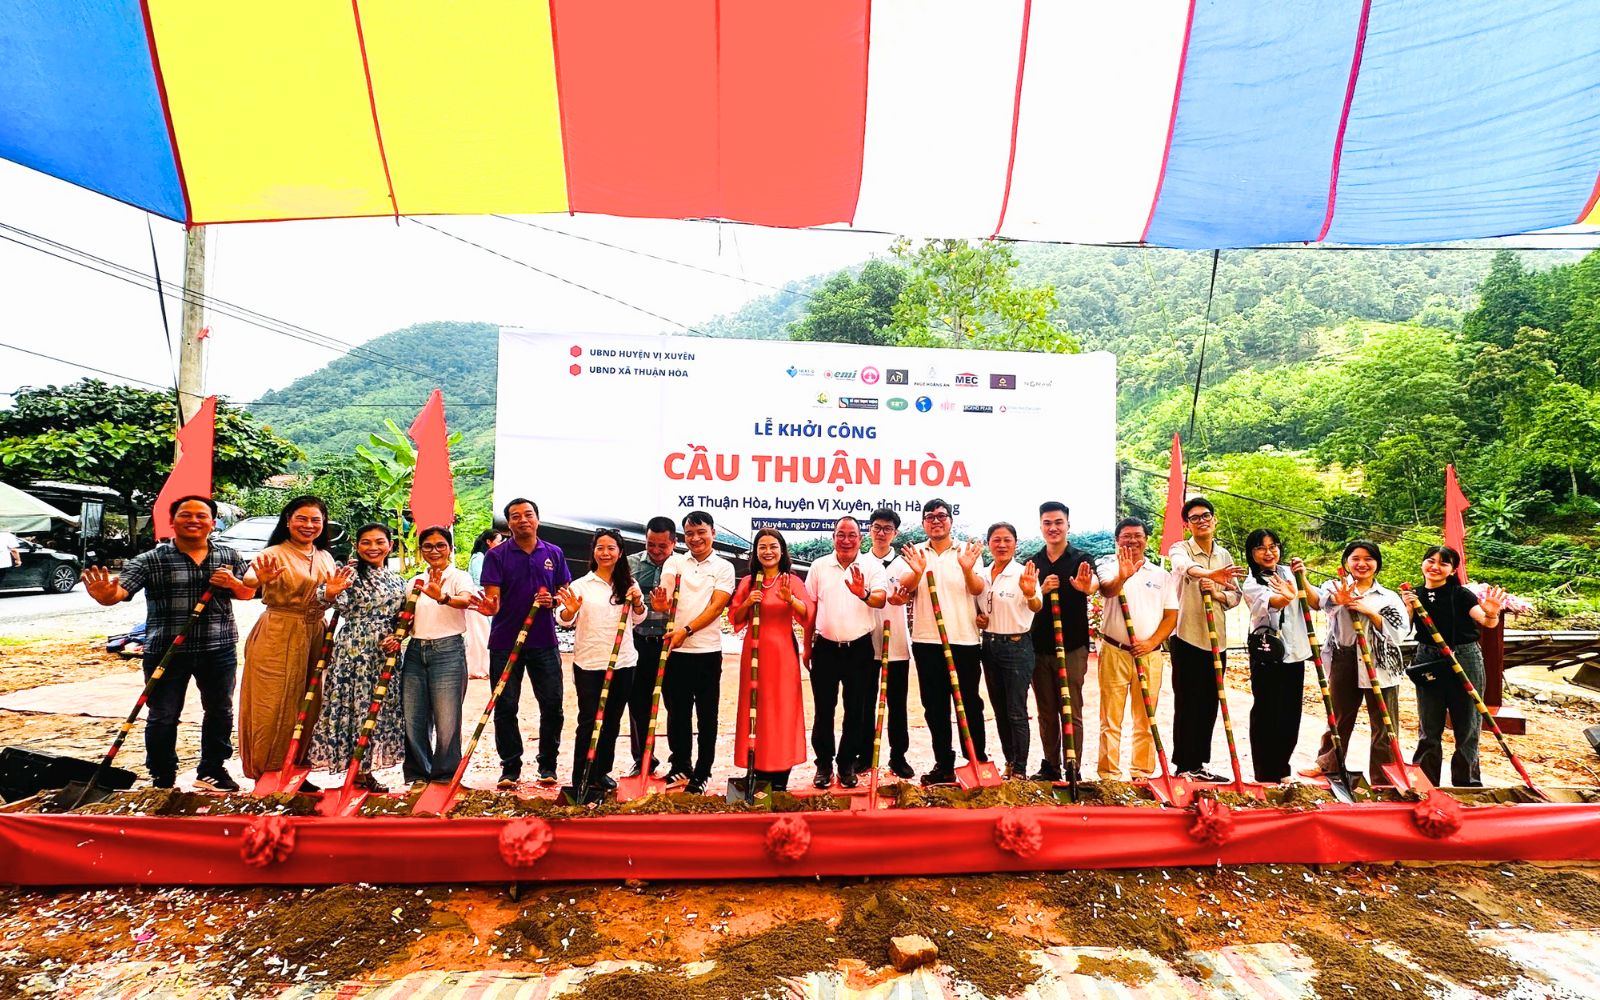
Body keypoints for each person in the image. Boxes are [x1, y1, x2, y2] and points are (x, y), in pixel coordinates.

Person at [82, 495, 254, 790]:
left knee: (220, 710)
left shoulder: (229, 556)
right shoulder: (151, 560)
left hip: (219, 647)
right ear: (172, 521)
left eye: (202, 516)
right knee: (163, 715)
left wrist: (234, 584)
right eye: (186, 515)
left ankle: (212, 769)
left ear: (213, 523)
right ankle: (162, 774)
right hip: (166, 649)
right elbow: (119, 593)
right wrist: (104, 595)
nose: (194, 520)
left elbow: (247, 593)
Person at [238, 496, 341, 783]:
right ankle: (267, 771)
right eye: (302, 519)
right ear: (288, 520)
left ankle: (295, 770)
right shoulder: (273, 553)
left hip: (315, 632)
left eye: (315, 520)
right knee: (272, 702)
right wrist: (257, 579)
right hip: (279, 631)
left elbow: (333, 594)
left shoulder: (325, 556)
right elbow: (249, 579)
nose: (308, 525)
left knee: (307, 703)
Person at [476, 498, 571, 788]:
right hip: (506, 641)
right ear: (508, 523)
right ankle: (510, 767)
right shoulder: (497, 555)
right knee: (505, 705)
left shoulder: (553, 553)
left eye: (528, 514)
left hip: (544, 641)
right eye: (515, 516)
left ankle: (547, 765)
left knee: (552, 704)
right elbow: (493, 600)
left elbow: (563, 593)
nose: (522, 520)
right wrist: (488, 608)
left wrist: (553, 600)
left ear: (537, 519)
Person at [311, 523, 408, 791]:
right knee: (354, 707)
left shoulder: (397, 579)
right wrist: (330, 590)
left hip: (385, 652)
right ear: (357, 545)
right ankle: (355, 771)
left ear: (390, 545)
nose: (373, 548)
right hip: (354, 649)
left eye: (379, 542)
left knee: (378, 710)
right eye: (366, 542)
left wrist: (399, 636)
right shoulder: (350, 573)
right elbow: (324, 596)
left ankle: (364, 770)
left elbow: (403, 617)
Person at [899, 497, 987, 786]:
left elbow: (977, 588)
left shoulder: (967, 551)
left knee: (970, 703)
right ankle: (944, 763)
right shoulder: (915, 553)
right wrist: (918, 570)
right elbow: (905, 590)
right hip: (927, 641)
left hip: (964, 640)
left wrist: (967, 568)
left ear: (950, 520)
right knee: (934, 705)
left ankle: (976, 759)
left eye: (941, 515)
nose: (936, 521)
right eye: (930, 517)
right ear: (924, 523)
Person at [1308, 539, 1410, 785]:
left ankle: (1383, 775)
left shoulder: (1388, 596)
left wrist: (1370, 612)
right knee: (1340, 716)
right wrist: (1340, 600)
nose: (1362, 564)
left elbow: (1399, 632)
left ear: (1377, 564)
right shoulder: (1334, 586)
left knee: (1384, 723)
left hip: (1379, 662)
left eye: (1368, 559)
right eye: (1355, 558)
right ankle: (1328, 763)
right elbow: (1322, 604)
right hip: (1344, 657)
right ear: (1346, 562)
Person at [1402, 545, 1505, 787]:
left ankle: (1466, 782)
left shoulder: (1461, 594)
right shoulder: (1414, 596)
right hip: (1428, 658)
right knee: (1429, 723)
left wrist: (1492, 613)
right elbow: (1403, 630)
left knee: (1467, 722)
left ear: (1452, 570)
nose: (1435, 567)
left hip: (1464, 657)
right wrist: (1407, 608)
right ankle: (1425, 784)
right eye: (1430, 561)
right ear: (1422, 564)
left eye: (1443, 563)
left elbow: (1486, 621)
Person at [652, 510, 735, 794]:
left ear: (713, 532)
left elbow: (715, 608)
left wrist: (686, 630)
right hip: (675, 651)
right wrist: (662, 607)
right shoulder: (675, 561)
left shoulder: (724, 567)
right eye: (689, 534)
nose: (696, 539)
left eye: (701, 532)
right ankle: (681, 766)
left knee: (706, 715)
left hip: (706, 652)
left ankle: (703, 772)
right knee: (677, 714)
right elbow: (665, 598)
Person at [556, 529, 647, 791]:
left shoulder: (629, 584)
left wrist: (639, 603)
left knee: (612, 721)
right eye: (600, 548)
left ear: (620, 552)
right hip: (590, 663)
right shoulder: (580, 585)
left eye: (611, 548)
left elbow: (638, 619)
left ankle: (601, 772)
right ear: (593, 552)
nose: (605, 553)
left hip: (623, 662)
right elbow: (564, 619)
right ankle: (581, 775)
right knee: (589, 720)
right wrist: (568, 612)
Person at [803, 517, 886, 788]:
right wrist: (806, 646)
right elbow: (810, 610)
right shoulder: (819, 567)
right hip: (825, 649)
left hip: (859, 649)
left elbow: (881, 599)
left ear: (860, 538)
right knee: (824, 710)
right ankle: (824, 765)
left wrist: (863, 594)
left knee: (856, 710)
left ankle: (847, 764)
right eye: (841, 534)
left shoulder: (872, 567)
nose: (846, 540)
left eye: (852, 535)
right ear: (833, 537)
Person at [1166, 497, 1245, 782]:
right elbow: (1182, 567)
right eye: (1195, 517)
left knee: (1210, 703)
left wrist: (1217, 593)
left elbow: (1236, 596)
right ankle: (1183, 765)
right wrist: (1209, 575)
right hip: (1187, 636)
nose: (1201, 521)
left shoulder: (1224, 555)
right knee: (1187, 702)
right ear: (1187, 524)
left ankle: (1200, 763)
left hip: (1217, 641)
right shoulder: (1181, 548)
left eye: (1205, 516)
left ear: (1214, 520)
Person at [1095, 517, 1179, 780]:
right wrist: (1123, 575)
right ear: (1117, 540)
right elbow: (1108, 591)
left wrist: (1152, 643)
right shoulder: (1107, 566)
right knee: (1111, 718)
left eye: (1137, 535)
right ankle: (1109, 774)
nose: (1132, 540)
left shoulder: (1161, 575)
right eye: (1126, 536)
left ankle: (1141, 772)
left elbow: (1171, 616)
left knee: (1146, 717)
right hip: (1114, 650)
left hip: (1149, 654)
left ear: (1146, 539)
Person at [730, 528, 814, 791]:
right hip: (754, 653)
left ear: (782, 550)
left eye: (773, 546)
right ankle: (757, 774)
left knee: (781, 711)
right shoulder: (748, 582)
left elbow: (808, 615)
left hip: (782, 655)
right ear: (756, 552)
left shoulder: (792, 581)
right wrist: (747, 603)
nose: (768, 551)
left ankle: (780, 775)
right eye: (762, 546)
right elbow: (735, 617)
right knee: (756, 710)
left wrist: (791, 600)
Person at [1026, 502, 1099, 782]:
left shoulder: (1081, 558)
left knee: (1071, 707)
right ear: (1041, 526)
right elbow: (1028, 600)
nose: (1053, 528)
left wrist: (1085, 588)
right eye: (1047, 523)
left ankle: (1073, 764)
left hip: (1073, 646)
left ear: (1068, 524)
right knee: (1046, 710)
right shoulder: (1034, 562)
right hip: (1040, 646)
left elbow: (1092, 585)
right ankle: (1050, 764)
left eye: (1058, 522)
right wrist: (1040, 591)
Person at [402, 526, 477, 787]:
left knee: (447, 719)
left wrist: (443, 597)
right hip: (415, 651)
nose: (434, 550)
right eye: (428, 546)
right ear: (420, 551)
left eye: (440, 545)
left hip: (447, 652)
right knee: (414, 717)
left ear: (450, 548)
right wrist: (395, 636)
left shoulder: (459, 577)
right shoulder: (414, 582)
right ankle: (418, 775)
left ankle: (445, 776)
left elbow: (466, 600)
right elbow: (408, 618)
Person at [1240, 528, 1312, 784]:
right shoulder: (1251, 582)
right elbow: (1275, 602)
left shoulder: (1289, 572)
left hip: (1295, 653)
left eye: (1273, 546)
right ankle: (1265, 771)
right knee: (1267, 711)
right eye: (1261, 548)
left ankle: (1282, 768)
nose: (1269, 552)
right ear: (1251, 553)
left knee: (1290, 713)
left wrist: (1301, 578)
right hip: (1268, 655)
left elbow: (1313, 600)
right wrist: (1288, 594)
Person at [977, 522, 1042, 780]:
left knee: (1016, 710)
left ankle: (1021, 769)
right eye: (996, 540)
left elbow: (1036, 605)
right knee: (1000, 710)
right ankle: (1009, 761)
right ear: (989, 543)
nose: (1001, 545)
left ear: (1015, 543)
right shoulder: (982, 574)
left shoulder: (1023, 573)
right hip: (989, 646)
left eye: (1007, 540)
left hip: (1017, 647)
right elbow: (978, 606)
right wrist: (979, 618)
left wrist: (1029, 593)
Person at [624, 516, 677, 777]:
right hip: (639, 642)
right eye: (651, 544)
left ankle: (679, 761)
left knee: (675, 703)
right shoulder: (630, 564)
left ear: (674, 543)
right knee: (639, 703)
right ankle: (644, 758)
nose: (656, 551)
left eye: (662, 546)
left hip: (673, 645)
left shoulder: (681, 566)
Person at [866, 508, 915, 779]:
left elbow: (911, 594)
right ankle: (863, 755)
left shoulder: (905, 565)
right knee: (864, 703)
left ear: (894, 533)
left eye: (887, 528)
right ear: (870, 530)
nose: (881, 532)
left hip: (896, 645)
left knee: (897, 704)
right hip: (865, 642)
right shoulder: (860, 562)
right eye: (876, 527)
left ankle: (898, 756)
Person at [465, 529, 503, 679]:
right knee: (480, 635)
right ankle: (479, 669)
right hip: (478, 599)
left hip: (483, 599)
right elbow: (481, 581)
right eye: (498, 541)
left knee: (483, 634)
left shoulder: (484, 557)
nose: (500, 544)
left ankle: (483, 668)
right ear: (489, 541)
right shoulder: (479, 558)